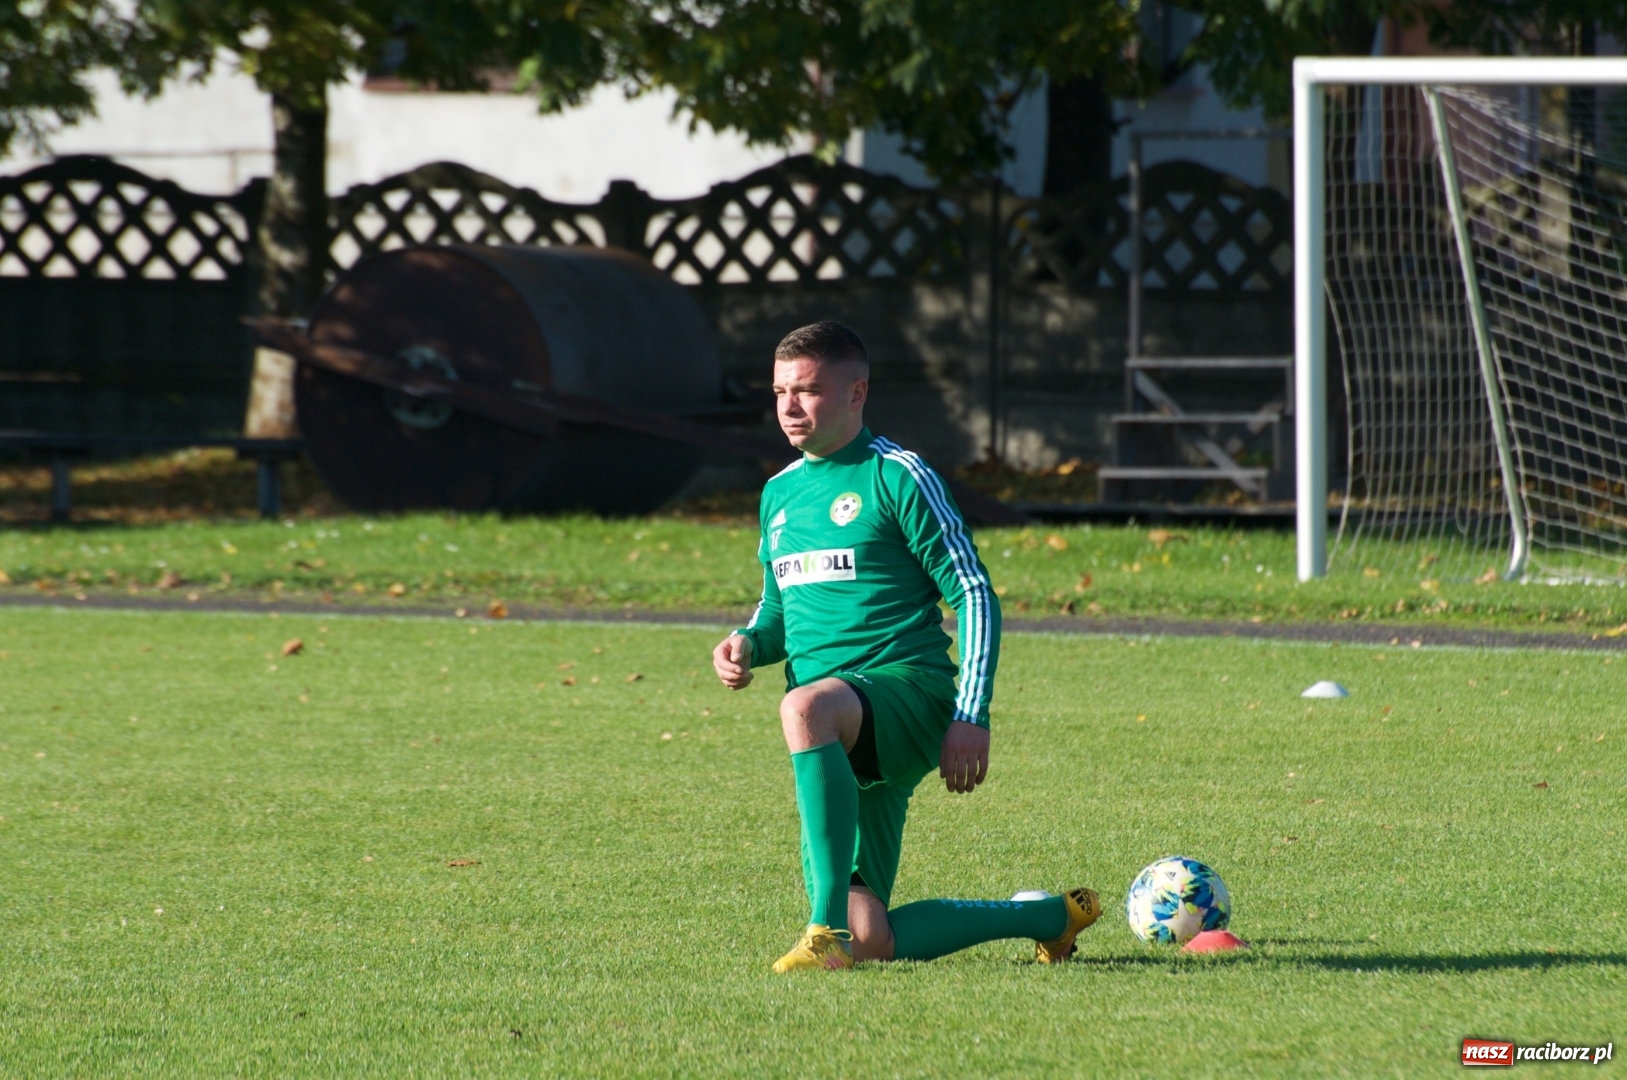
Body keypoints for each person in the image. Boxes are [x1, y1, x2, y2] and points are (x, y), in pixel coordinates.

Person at [711, 320, 1102, 972]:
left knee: (804, 709)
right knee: (874, 941)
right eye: (779, 391)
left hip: (904, 691)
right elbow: (779, 610)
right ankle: (1052, 917)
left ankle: (820, 929)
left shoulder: (897, 476)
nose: (787, 407)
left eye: (806, 391)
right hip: (840, 735)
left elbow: (973, 593)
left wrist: (969, 715)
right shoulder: (778, 492)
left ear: (856, 391)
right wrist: (747, 644)